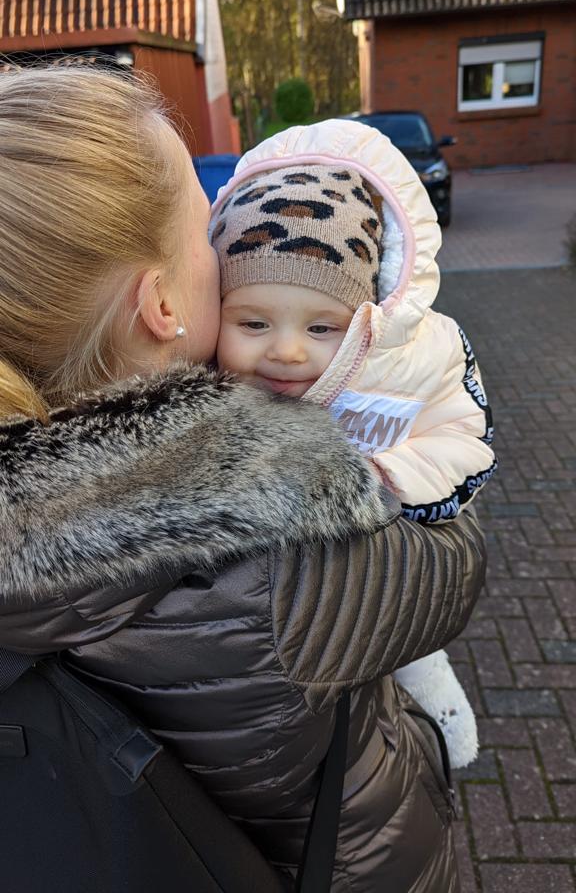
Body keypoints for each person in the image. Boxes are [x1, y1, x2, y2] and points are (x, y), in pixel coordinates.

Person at [0, 66, 485, 892]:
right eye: (208, 227)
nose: (227, 251)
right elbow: (456, 557)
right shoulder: (270, 563)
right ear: (161, 304)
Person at [212, 123, 497, 770]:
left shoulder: (416, 360)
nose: (286, 351)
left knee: (408, 649)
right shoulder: (211, 372)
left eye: (322, 328)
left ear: (371, 315)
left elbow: (464, 438)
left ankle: (439, 719)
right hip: (281, 610)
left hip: (380, 554)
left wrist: (379, 480)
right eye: (252, 322)